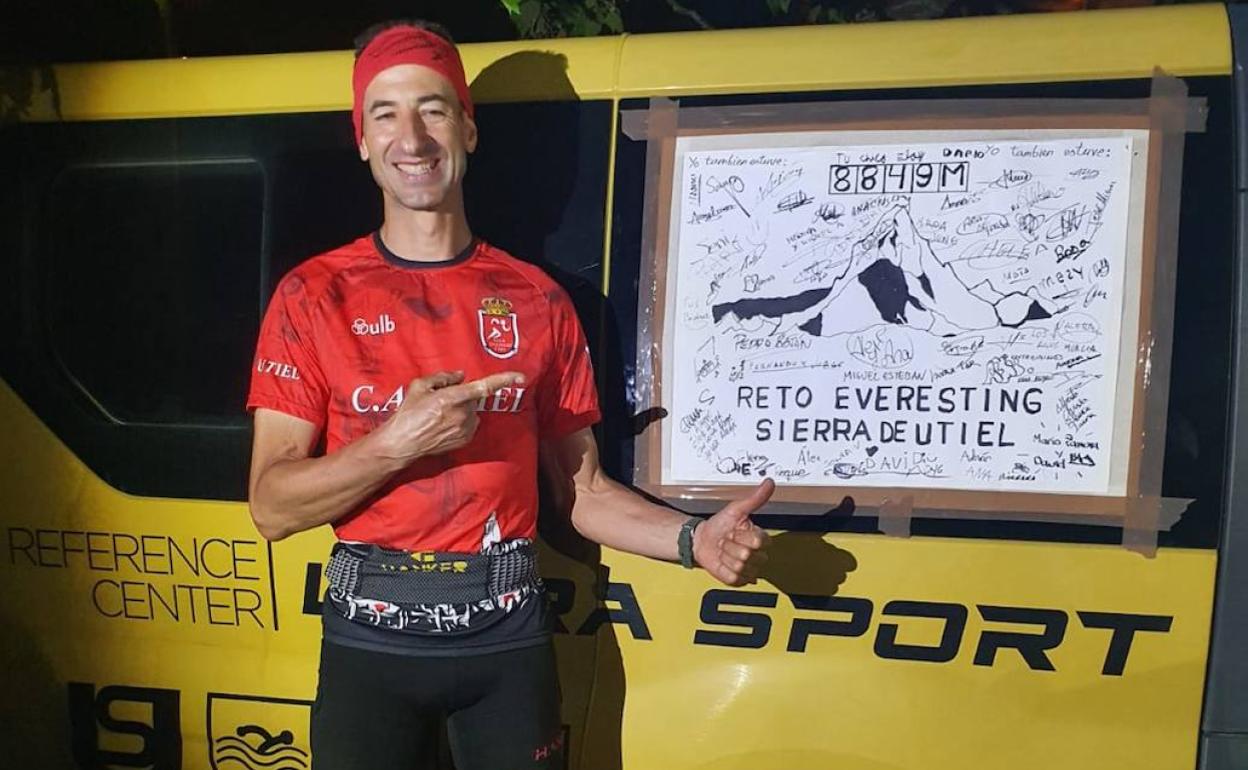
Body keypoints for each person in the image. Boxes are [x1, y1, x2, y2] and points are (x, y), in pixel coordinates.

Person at [246, 19, 773, 770]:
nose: (412, 137)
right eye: (385, 113)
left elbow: (581, 490)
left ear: (467, 128)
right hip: (369, 654)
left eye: (432, 108)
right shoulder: (312, 295)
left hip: (508, 649)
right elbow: (271, 506)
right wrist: (398, 440)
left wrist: (690, 540)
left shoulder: (535, 299)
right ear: (361, 139)